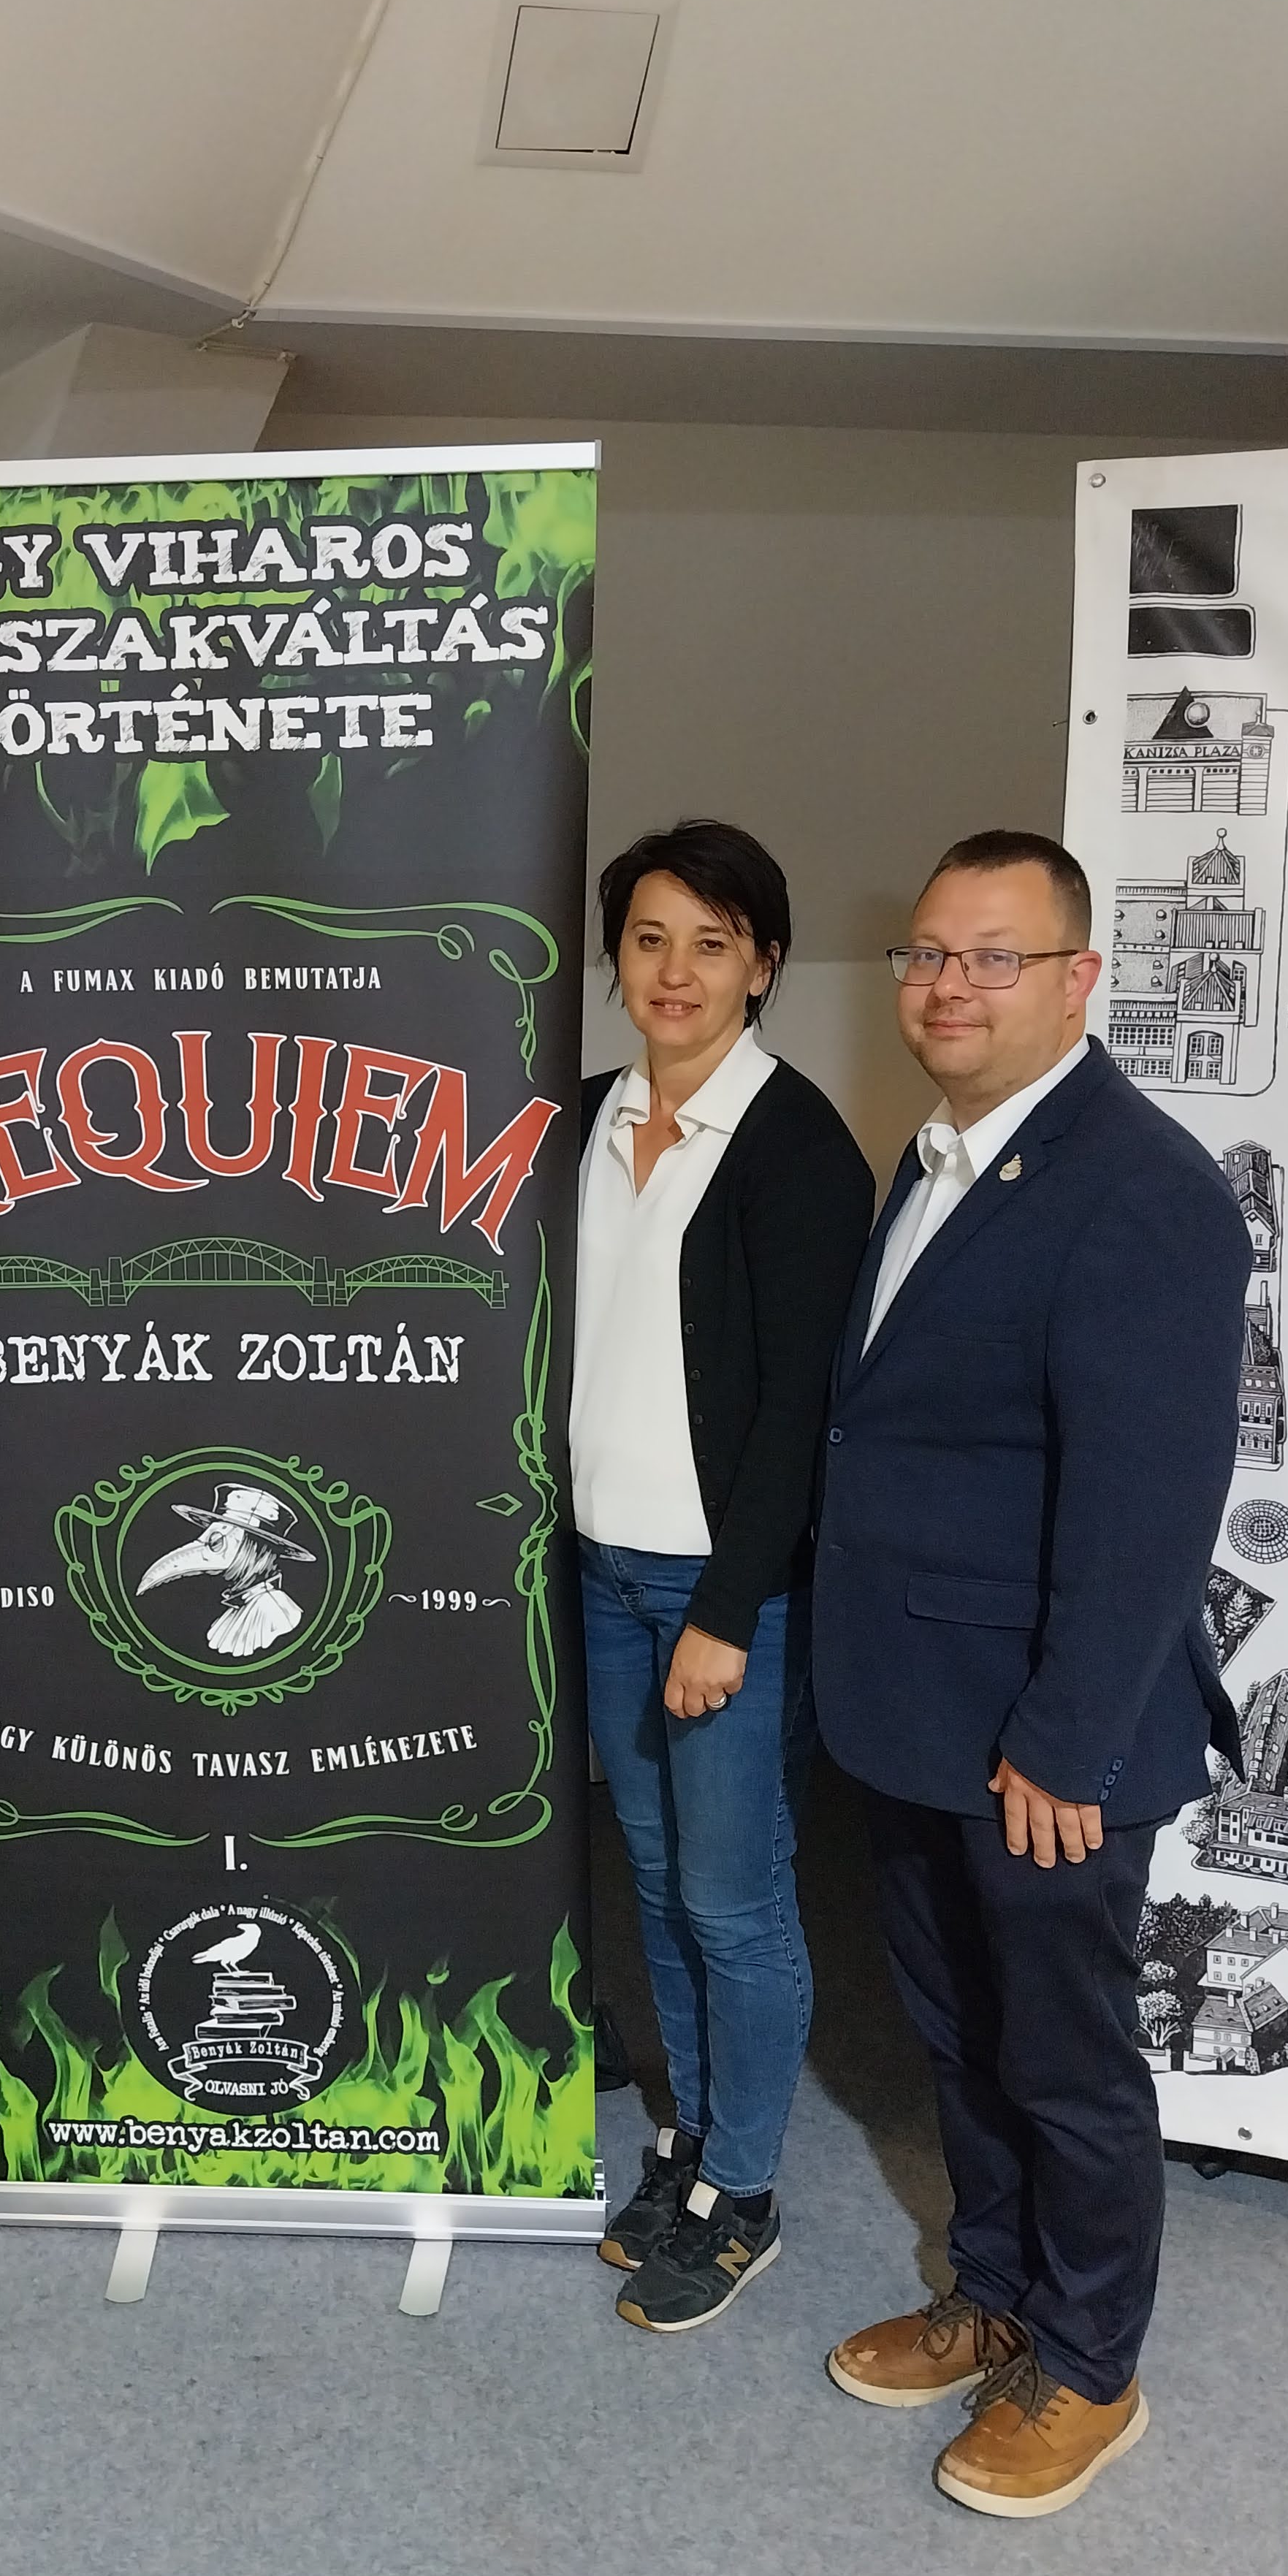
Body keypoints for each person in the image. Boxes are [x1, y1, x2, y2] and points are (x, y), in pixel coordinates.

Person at [813, 828, 1247, 2516]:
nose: (947, 985)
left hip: (1043, 1741)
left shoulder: (1142, 1192)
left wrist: (1065, 1741)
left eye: (992, 956)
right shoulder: (932, 1157)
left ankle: (1088, 2362)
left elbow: (1148, 1509)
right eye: (927, 952)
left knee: (1063, 2064)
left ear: (1077, 980)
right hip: (914, 1708)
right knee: (958, 2040)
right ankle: (994, 2293)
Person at [573, 821, 874, 2331]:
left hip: (719, 1594)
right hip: (598, 1573)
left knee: (734, 1901)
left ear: (763, 964)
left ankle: (743, 2190)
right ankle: (689, 2143)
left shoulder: (796, 1148)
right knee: (651, 1880)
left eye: (712, 943)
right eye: (649, 940)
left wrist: (725, 1611)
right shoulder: (582, 1119)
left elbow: (800, 1413)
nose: (675, 972)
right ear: (615, 958)